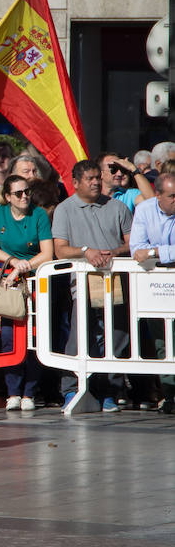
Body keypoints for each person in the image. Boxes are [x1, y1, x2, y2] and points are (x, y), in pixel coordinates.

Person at [52, 159, 132, 413]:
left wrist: (115, 252)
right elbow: (59, 249)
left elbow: (132, 243)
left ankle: (109, 390)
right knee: (79, 337)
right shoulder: (65, 209)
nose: (96, 182)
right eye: (90, 179)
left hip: (115, 281)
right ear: (75, 183)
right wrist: (86, 252)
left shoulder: (117, 206)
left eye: (98, 177)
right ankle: (71, 389)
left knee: (117, 336)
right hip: (83, 284)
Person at [0, 175, 54, 411]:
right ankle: (12, 391)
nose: (25, 196)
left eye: (27, 192)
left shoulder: (39, 215)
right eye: (18, 193)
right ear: (7, 197)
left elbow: (47, 253)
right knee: (8, 335)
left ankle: (29, 393)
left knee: (34, 337)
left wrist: (25, 266)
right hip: (9, 280)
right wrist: (14, 263)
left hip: (35, 279)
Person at [130, 173, 175, 411]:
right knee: (162, 340)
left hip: (161, 272)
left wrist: (156, 252)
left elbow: (147, 251)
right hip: (156, 285)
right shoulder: (145, 210)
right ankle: (170, 393)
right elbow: (136, 248)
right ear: (158, 195)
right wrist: (158, 253)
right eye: (172, 196)